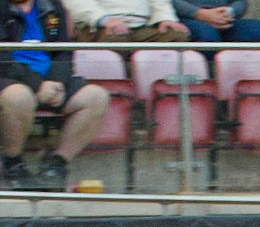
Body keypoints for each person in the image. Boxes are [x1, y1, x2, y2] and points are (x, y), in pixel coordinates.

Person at [0, 0, 107, 190]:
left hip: (49, 78)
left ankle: (55, 166)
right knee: (18, 97)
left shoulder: (50, 5)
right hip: (8, 76)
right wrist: (37, 85)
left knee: (96, 97)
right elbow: (2, 59)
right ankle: (12, 165)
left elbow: (65, 50)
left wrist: (57, 82)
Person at [172, 0, 260, 51]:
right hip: (187, 18)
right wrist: (200, 14)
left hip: (224, 18)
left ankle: (252, 86)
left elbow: (241, 2)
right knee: (208, 36)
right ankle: (207, 86)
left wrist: (229, 13)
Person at [64, 0, 188, 42]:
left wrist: (165, 18)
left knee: (177, 37)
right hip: (98, 26)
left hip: (143, 27)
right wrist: (104, 20)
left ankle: (165, 94)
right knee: (115, 39)